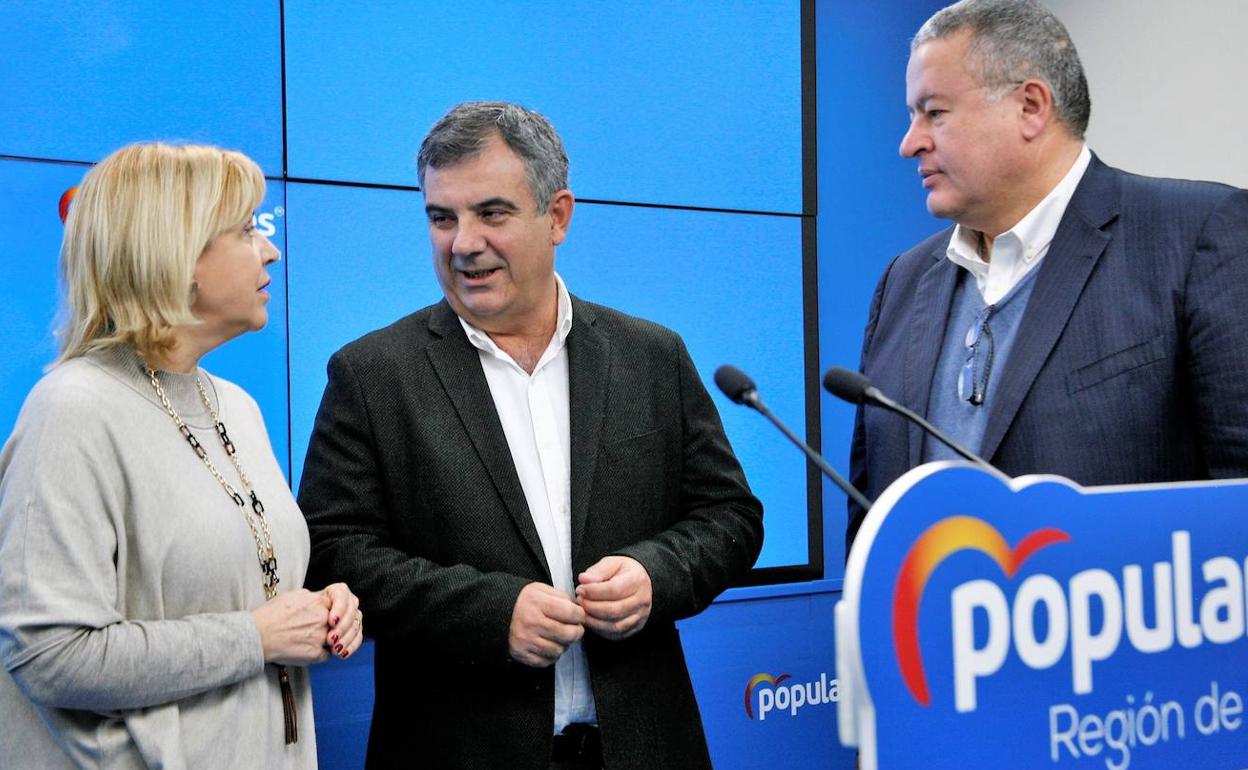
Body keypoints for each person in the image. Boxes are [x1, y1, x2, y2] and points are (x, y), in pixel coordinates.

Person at [298, 101, 763, 769]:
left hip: (642, 747)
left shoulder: (651, 356)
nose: (462, 242)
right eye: (442, 217)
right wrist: (490, 614)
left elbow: (731, 518)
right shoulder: (372, 374)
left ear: (558, 216)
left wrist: (656, 575)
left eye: (491, 213)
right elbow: (334, 553)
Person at [0, 142, 365, 769]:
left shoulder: (237, 406)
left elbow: (237, 591)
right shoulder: (72, 409)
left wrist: (322, 607)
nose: (271, 249)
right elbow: (50, 656)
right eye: (248, 231)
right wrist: (255, 636)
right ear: (179, 254)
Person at [848, 0, 1248, 546]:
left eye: (934, 113)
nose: (909, 142)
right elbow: (871, 513)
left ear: (1031, 107)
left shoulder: (1197, 236)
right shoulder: (903, 280)